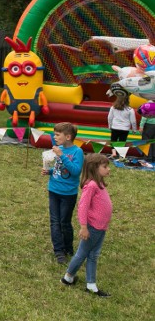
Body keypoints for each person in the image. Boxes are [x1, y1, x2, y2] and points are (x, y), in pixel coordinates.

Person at [61, 153, 113, 297]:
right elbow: (82, 207)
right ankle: (68, 277)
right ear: (94, 168)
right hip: (92, 228)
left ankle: (91, 285)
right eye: (105, 166)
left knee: (93, 255)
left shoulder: (99, 183)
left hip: (101, 227)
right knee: (82, 254)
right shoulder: (91, 186)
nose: (108, 169)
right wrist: (84, 227)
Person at [40, 122, 84, 265]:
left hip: (68, 193)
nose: (55, 137)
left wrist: (62, 156)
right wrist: (50, 171)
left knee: (64, 222)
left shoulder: (77, 152)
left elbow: (75, 171)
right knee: (54, 221)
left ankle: (68, 247)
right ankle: (59, 251)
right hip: (54, 190)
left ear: (68, 137)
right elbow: (60, 169)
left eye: (58, 135)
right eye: (55, 134)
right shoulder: (58, 149)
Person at [107, 93, 137, 158]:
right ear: (128, 100)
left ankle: (114, 153)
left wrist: (110, 125)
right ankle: (121, 155)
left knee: (113, 141)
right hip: (125, 129)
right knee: (122, 142)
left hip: (115, 127)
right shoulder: (130, 109)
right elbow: (133, 121)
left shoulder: (113, 107)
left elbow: (109, 117)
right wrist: (134, 129)